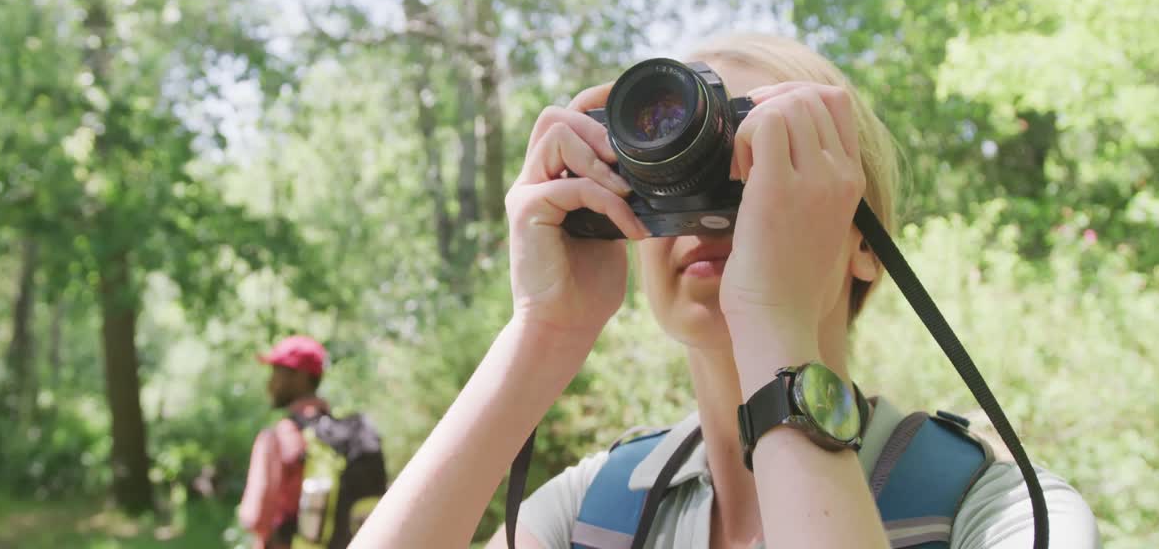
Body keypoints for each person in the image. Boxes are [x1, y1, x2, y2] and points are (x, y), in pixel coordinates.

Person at [350, 33, 1100, 548]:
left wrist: (774, 327)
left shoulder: (999, 510)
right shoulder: (598, 509)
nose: (713, 201)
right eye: (670, 170)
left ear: (864, 239)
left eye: (768, 165)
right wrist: (542, 333)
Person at [239, 335, 331, 549]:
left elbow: (255, 518)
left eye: (276, 374)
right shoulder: (345, 436)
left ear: (299, 377)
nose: (270, 384)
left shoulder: (277, 438)